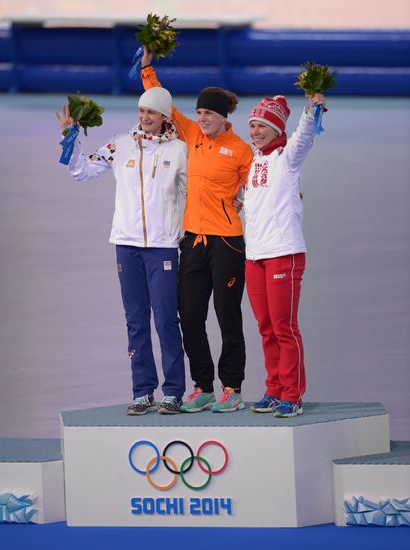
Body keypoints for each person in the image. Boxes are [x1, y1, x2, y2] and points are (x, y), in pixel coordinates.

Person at [55, 87, 187, 415]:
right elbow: (83, 171)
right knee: (135, 321)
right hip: (126, 246)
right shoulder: (120, 144)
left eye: (152, 113)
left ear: (165, 116)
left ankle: (173, 391)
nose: (144, 118)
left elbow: (200, 189)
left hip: (162, 248)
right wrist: (72, 140)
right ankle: (143, 390)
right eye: (142, 111)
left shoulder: (180, 151)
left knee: (167, 320)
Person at [140, 49, 253, 413]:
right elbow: (165, 105)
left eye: (209, 114)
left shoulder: (240, 150)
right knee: (189, 316)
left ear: (223, 117)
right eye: (200, 112)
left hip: (227, 243)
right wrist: (147, 69)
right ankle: (203, 386)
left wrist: (244, 199)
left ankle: (231, 388)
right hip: (192, 240)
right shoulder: (192, 135)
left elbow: (258, 185)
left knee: (227, 316)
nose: (202, 118)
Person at [243, 93, 327, 417]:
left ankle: (293, 394)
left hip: (284, 254)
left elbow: (304, 137)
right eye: (252, 125)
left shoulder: (287, 157)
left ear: (277, 129)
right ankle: (274, 389)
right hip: (255, 257)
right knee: (265, 327)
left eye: (262, 125)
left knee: (284, 327)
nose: (255, 131)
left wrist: (311, 109)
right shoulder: (255, 163)